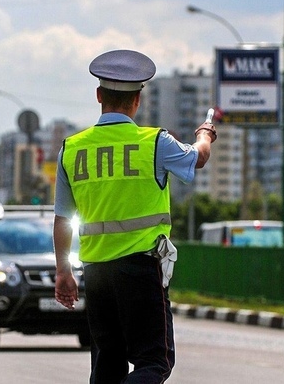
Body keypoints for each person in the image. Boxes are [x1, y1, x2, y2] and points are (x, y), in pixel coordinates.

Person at [53, 49, 216, 383]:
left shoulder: (72, 148)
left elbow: (61, 219)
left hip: (95, 272)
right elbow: (197, 159)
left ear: (99, 95)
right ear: (138, 99)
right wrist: (205, 134)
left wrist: (63, 272)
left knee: (107, 365)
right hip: (140, 270)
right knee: (155, 362)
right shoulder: (154, 142)